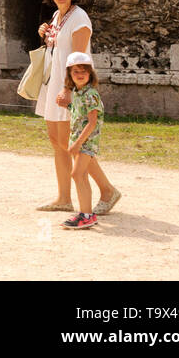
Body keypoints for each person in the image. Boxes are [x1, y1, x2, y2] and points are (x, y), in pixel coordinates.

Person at [33, 0, 120, 214]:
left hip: (70, 88)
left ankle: (107, 190)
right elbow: (56, 51)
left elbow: (79, 61)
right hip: (53, 85)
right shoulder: (57, 16)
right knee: (56, 142)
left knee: (71, 143)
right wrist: (45, 32)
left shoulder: (79, 19)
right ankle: (63, 197)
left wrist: (68, 90)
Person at [62, 52, 105, 229]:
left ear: (90, 74)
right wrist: (67, 105)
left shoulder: (90, 94)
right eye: (75, 72)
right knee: (82, 176)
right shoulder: (78, 93)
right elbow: (80, 114)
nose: (80, 75)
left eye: (84, 71)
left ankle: (86, 215)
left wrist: (78, 142)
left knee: (77, 174)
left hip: (87, 140)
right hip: (79, 139)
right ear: (70, 76)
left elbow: (93, 121)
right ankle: (86, 213)